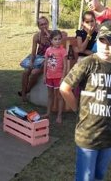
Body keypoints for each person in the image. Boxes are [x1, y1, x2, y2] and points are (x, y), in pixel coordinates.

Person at [60, 20, 111, 181]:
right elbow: (65, 87)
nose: (106, 46)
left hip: (108, 136)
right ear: (97, 41)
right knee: (85, 177)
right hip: (88, 134)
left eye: (110, 42)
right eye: (102, 41)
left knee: (99, 175)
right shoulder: (88, 63)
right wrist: (77, 108)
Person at [18, 16, 51, 102]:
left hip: (49, 59)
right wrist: (32, 62)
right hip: (39, 58)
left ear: (48, 24)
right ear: (39, 26)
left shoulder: (53, 34)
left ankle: (26, 90)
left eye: (45, 24)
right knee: (26, 71)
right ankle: (24, 95)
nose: (44, 26)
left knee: (34, 72)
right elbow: (33, 52)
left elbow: (57, 48)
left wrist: (49, 38)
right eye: (41, 24)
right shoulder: (37, 36)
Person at [43, 30, 67, 123]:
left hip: (58, 77)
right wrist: (44, 75)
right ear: (51, 40)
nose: (57, 41)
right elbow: (45, 63)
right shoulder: (48, 50)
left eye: (59, 39)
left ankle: (59, 115)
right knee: (50, 95)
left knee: (59, 97)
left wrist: (62, 78)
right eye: (55, 39)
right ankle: (48, 113)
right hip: (49, 77)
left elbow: (65, 65)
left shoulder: (63, 50)